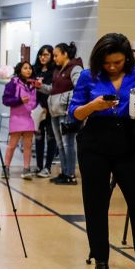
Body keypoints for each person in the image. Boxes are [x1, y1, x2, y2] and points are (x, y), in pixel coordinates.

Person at [68, 32, 135, 269]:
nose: (112, 67)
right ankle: (101, 262)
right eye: (108, 63)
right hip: (95, 142)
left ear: (127, 59)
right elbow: (74, 112)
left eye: (118, 62)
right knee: (96, 204)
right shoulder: (89, 76)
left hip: (131, 141)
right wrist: (93, 106)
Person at [48, 42, 84, 185]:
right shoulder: (58, 70)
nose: (54, 58)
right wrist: (40, 87)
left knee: (68, 143)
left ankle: (70, 175)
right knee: (60, 144)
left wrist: (70, 104)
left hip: (66, 111)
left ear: (65, 54)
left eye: (56, 55)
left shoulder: (75, 68)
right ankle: (64, 172)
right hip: (55, 111)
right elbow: (53, 89)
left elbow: (80, 87)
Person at [1, 60, 39, 180]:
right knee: (12, 145)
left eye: (30, 68)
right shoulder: (12, 83)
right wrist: (19, 100)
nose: (28, 70)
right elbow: (6, 100)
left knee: (27, 145)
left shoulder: (33, 84)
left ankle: (26, 169)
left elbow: (36, 100)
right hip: (17, 117)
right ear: (19, 70)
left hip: (28, 117)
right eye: (25, 68)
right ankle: (6, 168)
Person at [33, 44, 58, 177]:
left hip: (50, 109)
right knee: (38, 137)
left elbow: (52, 90)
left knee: (50, 137)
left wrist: (47, 107)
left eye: (46, 55)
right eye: (41, 54)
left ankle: (47, 167)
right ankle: (38, 165)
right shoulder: (35, 70)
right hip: (37, 109)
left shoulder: (54, 72)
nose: (42, 57)